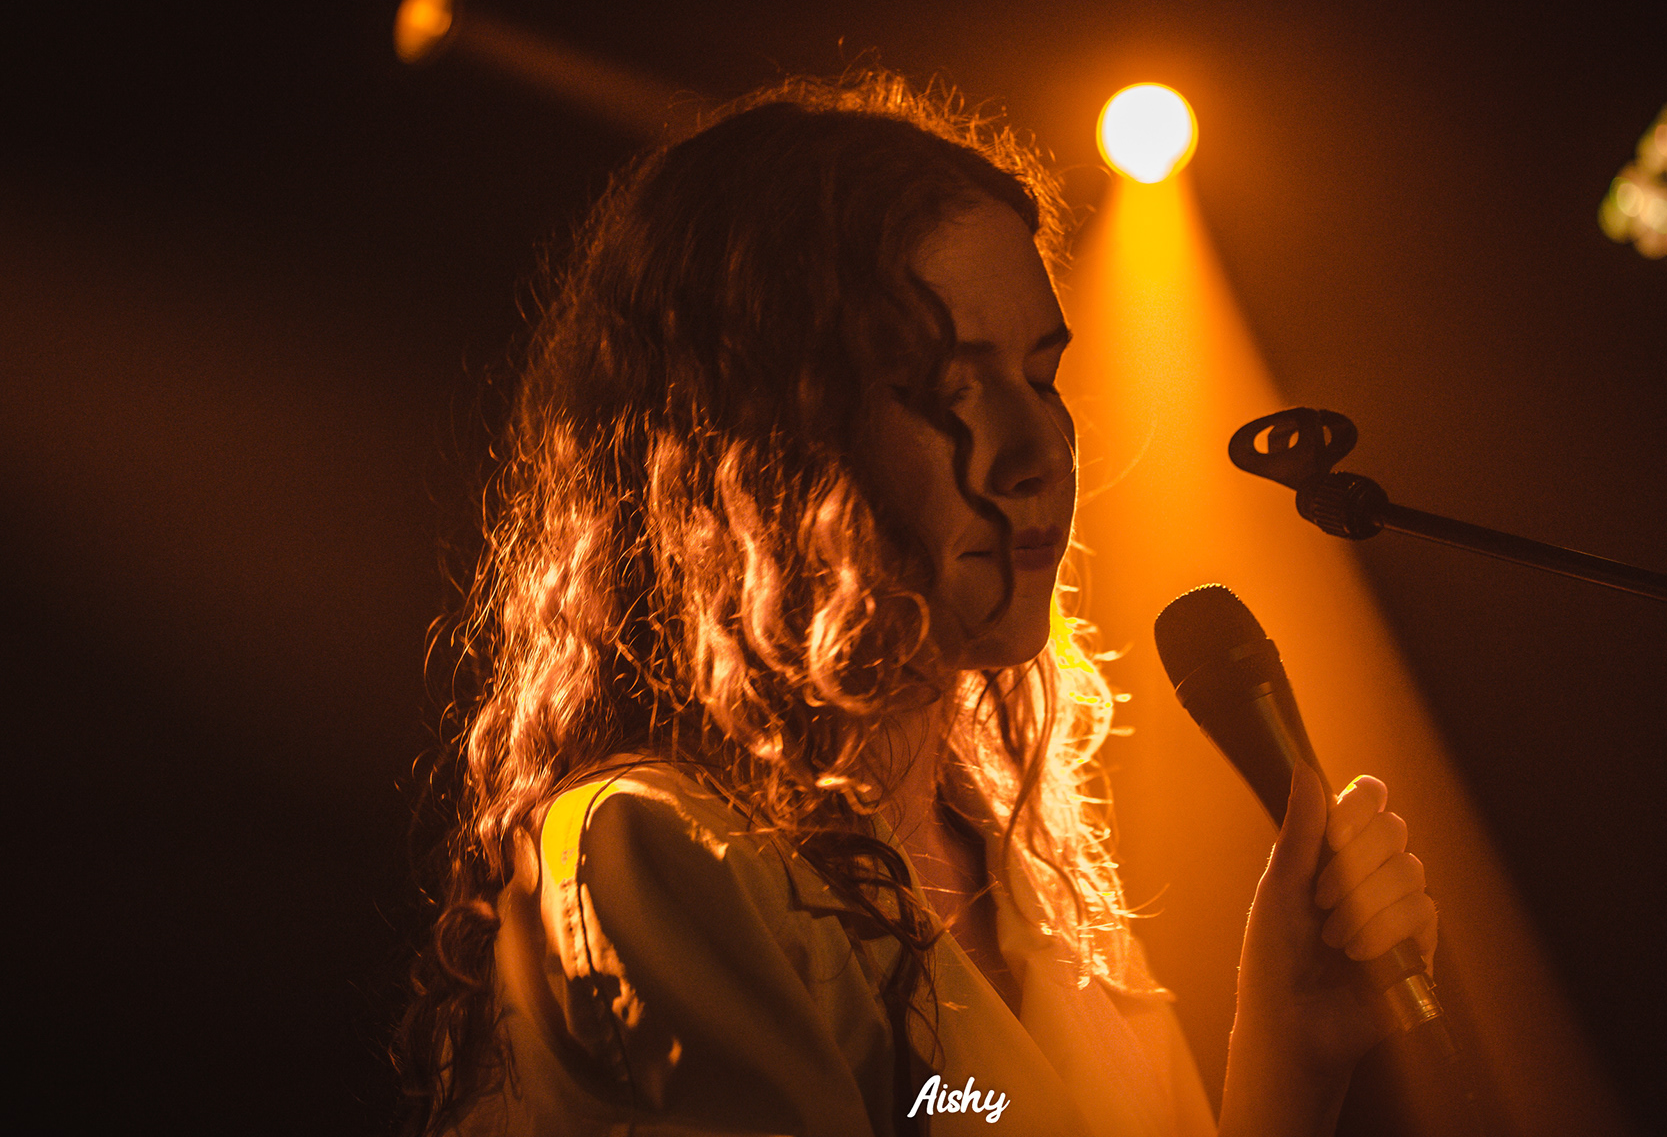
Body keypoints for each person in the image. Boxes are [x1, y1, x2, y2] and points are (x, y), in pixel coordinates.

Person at [394, 72, 1438, 1137]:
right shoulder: (650, 855)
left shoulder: (1031, 868)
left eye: (1043, 377)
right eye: (947, 388)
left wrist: (1289, 1062)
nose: (1038, 455)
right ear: (766, 446)